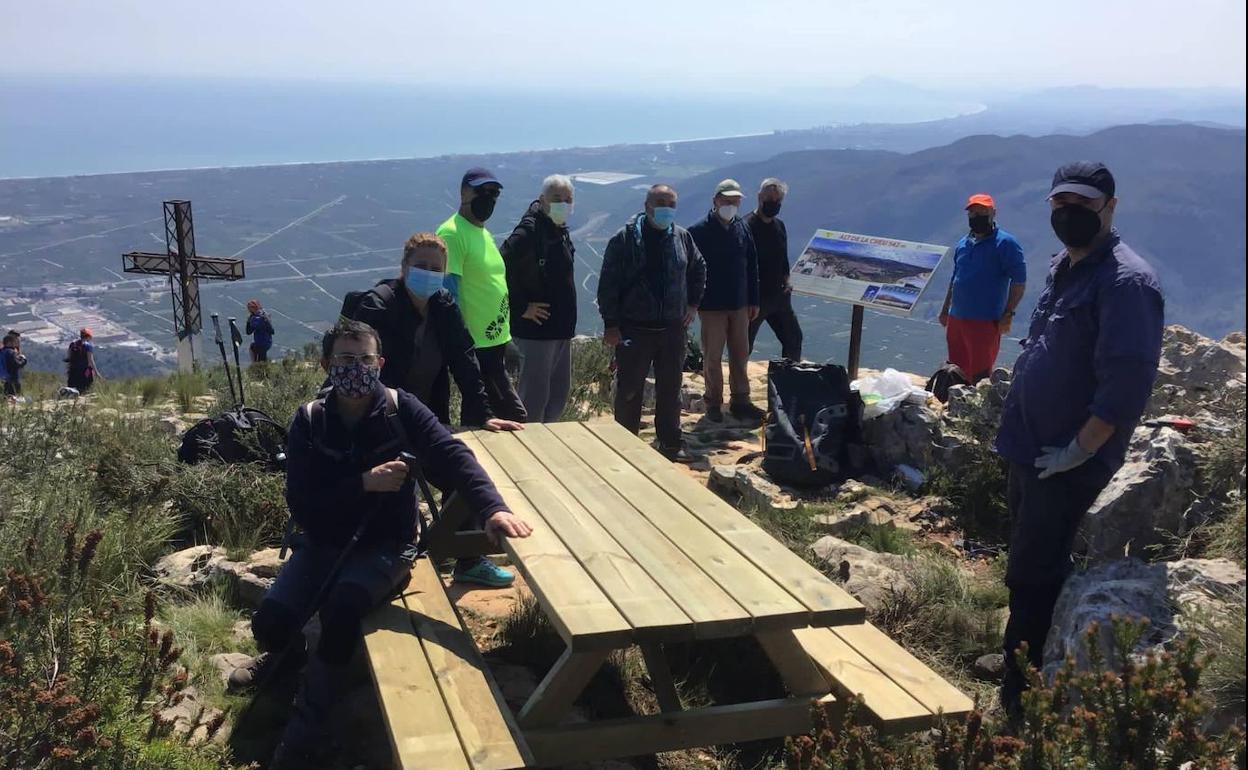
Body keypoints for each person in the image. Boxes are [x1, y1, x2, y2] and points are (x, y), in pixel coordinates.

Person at [229, 320, 533, 768]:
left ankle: (303, 731)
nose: (356, 369)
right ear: (326, 364)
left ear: (380, 363)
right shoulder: (310, 420)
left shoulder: (400, 409)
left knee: (342, 609)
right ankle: (286, 661)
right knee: (270, 624)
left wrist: (491, 508)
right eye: (345, 360)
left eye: (365, 360)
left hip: (387, 547)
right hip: (322, 543)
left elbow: (453, 455)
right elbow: (303, 504)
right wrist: (363, 483)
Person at [994, 162, 1164, 721]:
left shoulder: (1127, 283)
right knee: (1023, 557)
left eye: (1082, 205)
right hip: (1028, 445)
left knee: (1035, 569)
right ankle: (1022, 656)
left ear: (1110, 208)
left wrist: (1082, 449)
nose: (1067, 214)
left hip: (1066, 458)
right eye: (1059, 203)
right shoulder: (1063, 267)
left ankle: (1021, 694)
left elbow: (1126, 380)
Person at [349, 232, 522, 588]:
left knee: (464, 471)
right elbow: (365, 376)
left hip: (425, 419)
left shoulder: (442, 305)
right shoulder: (378, 307)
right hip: (380, 424)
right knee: (430, 479)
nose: (429, 273)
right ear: (403, 268)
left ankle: (467, 559)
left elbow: (465, 360)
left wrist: (482, 413)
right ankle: (393, 557)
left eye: (436, 268)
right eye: (421, 266)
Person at [598, 184, 706, 462]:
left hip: (672, 329)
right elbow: (608, 284)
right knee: (629, 390)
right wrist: (611, 324)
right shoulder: (624, 240)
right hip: (634, 329)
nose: (666, 210)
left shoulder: (682, 237)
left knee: (671, 389)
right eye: (660, 203)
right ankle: (625, 446)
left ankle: (670, 443)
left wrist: (693, 304)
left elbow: (699, 268)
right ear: (647, 206)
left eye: (671, 204)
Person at [437, 167, 527, 422]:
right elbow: (448, 291)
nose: (489, 198)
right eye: (483, 191)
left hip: (495, 341)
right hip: (476, 345)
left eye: (494, 193)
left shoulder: (483, 233)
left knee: (482, 417)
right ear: (464, 192)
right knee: (509, 417)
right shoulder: (452, 233)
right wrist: (460, 342)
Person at [501, 174, 577, 422]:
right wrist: (521, 306)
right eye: (557, 198)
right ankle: (526, 453)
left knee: (557, 396)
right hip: (536, 333)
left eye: (568, 199)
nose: (563, 204)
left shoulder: (558, 230)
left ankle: (544, 449)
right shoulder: (529, 231)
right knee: (533, 401)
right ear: (543, 200)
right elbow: (499, 268)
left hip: (560, 331)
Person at [688, 179, 765, 423]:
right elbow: (690, 270)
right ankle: (713, 403)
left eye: (735, 201)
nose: (730, 205)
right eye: (726, 200)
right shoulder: (698, 231)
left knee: (740, 353)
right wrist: (693, 301)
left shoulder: (742, 228)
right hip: (711, 305)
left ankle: (741, 401)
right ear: (715, 201)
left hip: (740, 303)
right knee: (712, 355)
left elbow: (752, 265)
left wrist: (754, 300)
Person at [939, 193, 1027, 381]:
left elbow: (1019, 281)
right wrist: (945, 309)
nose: (977, 216)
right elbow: (955, 278)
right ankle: (955, 406)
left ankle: (976, 409)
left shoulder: (1006, 244)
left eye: (982, 211)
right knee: (954, 369)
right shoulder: (963, 243)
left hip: (985, 321)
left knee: (980, 374)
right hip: (956, 318)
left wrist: (1009, 314)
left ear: (993, 213)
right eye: (973, 213)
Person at [745, 178, 803, 361]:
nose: (773, 203)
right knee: (744, 345)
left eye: (778, 201)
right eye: (769, 198)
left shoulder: (779, 226)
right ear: (759, 197)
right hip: (755, 299)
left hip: (779, 296)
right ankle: (737, 384)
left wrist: (787, 282)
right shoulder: (746, 226)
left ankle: (788, 380)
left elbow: (783, 258)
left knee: (794, 338)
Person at [66, 328, 102, 392]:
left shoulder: (73, 344)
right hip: (84, 372)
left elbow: (69, 356)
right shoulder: (88, 346)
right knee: (84, 389)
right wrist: (96, 373)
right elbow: (90, 360)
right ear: (88, 336)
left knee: (72, 389)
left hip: (73, 370)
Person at [2, 332, 25, 399]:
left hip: (4, 378)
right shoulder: (11, 352)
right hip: (13, 378)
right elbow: (16, 364)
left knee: (6, 397)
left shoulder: (2, 351)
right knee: (14, 398)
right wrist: (24, 360)